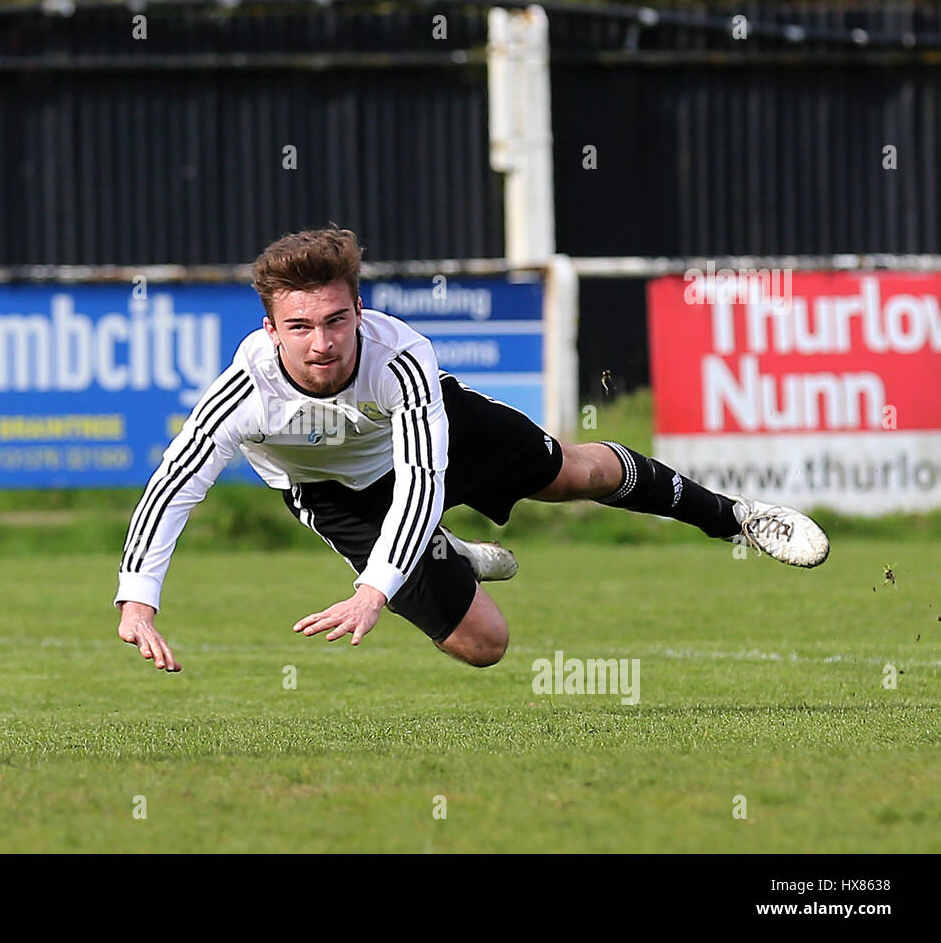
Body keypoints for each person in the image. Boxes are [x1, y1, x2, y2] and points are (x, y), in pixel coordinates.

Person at [113, 227, 829, 672]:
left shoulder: (400, 358)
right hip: (334, 494)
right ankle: (442, 553)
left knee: (570, 473)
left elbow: (424, 474)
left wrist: (373, 589)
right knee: (484, 646)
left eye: (336, 320)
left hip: (430, 448)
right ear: (271, 328)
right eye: (300, 326)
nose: (322, 341)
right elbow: (173, 488)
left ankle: (736, 517)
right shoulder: (243, 390)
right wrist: (138, 602)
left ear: (360, 311)